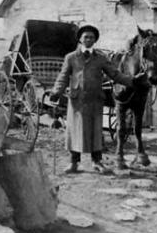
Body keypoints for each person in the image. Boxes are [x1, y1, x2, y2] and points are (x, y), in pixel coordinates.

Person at [50, 24, 144, 174]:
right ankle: (74, 163)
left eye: (92, 37)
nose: (89, 39)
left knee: (95, 132)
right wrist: (56, 91)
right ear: (80, 39)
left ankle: (97, 162)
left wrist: (132, 80)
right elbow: (62, 77)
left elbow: (115, 74)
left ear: (95, 40)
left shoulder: (100, 58)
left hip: (95, 100)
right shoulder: (71, 57)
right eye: (86, 37)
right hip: (77, 101)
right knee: (75, 132)